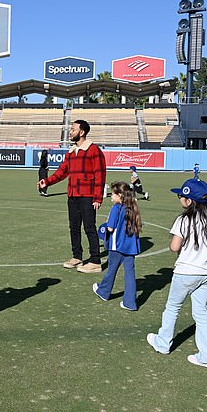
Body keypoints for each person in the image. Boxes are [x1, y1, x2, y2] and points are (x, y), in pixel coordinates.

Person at [147, 179, 207, 369]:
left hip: (185, 272)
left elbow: (174, 246)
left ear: (189, 201)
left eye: (181, 195)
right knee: (201, 313)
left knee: (172, 307)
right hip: (206, 273)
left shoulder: (183, 220)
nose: (180, 198)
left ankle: (163, 343)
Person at [38, 120, 107, 273]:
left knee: (89, 227)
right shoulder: (71, 152)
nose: (70, 132)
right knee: (74, 228)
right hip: (73, 196)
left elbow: (100, 175)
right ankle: (77, 257)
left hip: (88, 196)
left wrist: (98, 198)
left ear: (81, 132)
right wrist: (47, 182)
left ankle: (95, 261)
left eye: (73, 129)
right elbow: (62, 172)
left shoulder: (93, 150)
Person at [92, 181, 142, 311]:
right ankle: (130, 302)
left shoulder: (116, 208)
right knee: (130, 274)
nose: (111, 197)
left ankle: (103, 292)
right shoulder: (133, 207)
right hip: (131, 247)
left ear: (120, 195)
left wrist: (106, 223)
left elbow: (110, 228)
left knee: (112, 269)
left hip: (117, 246)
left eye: (113, 195)